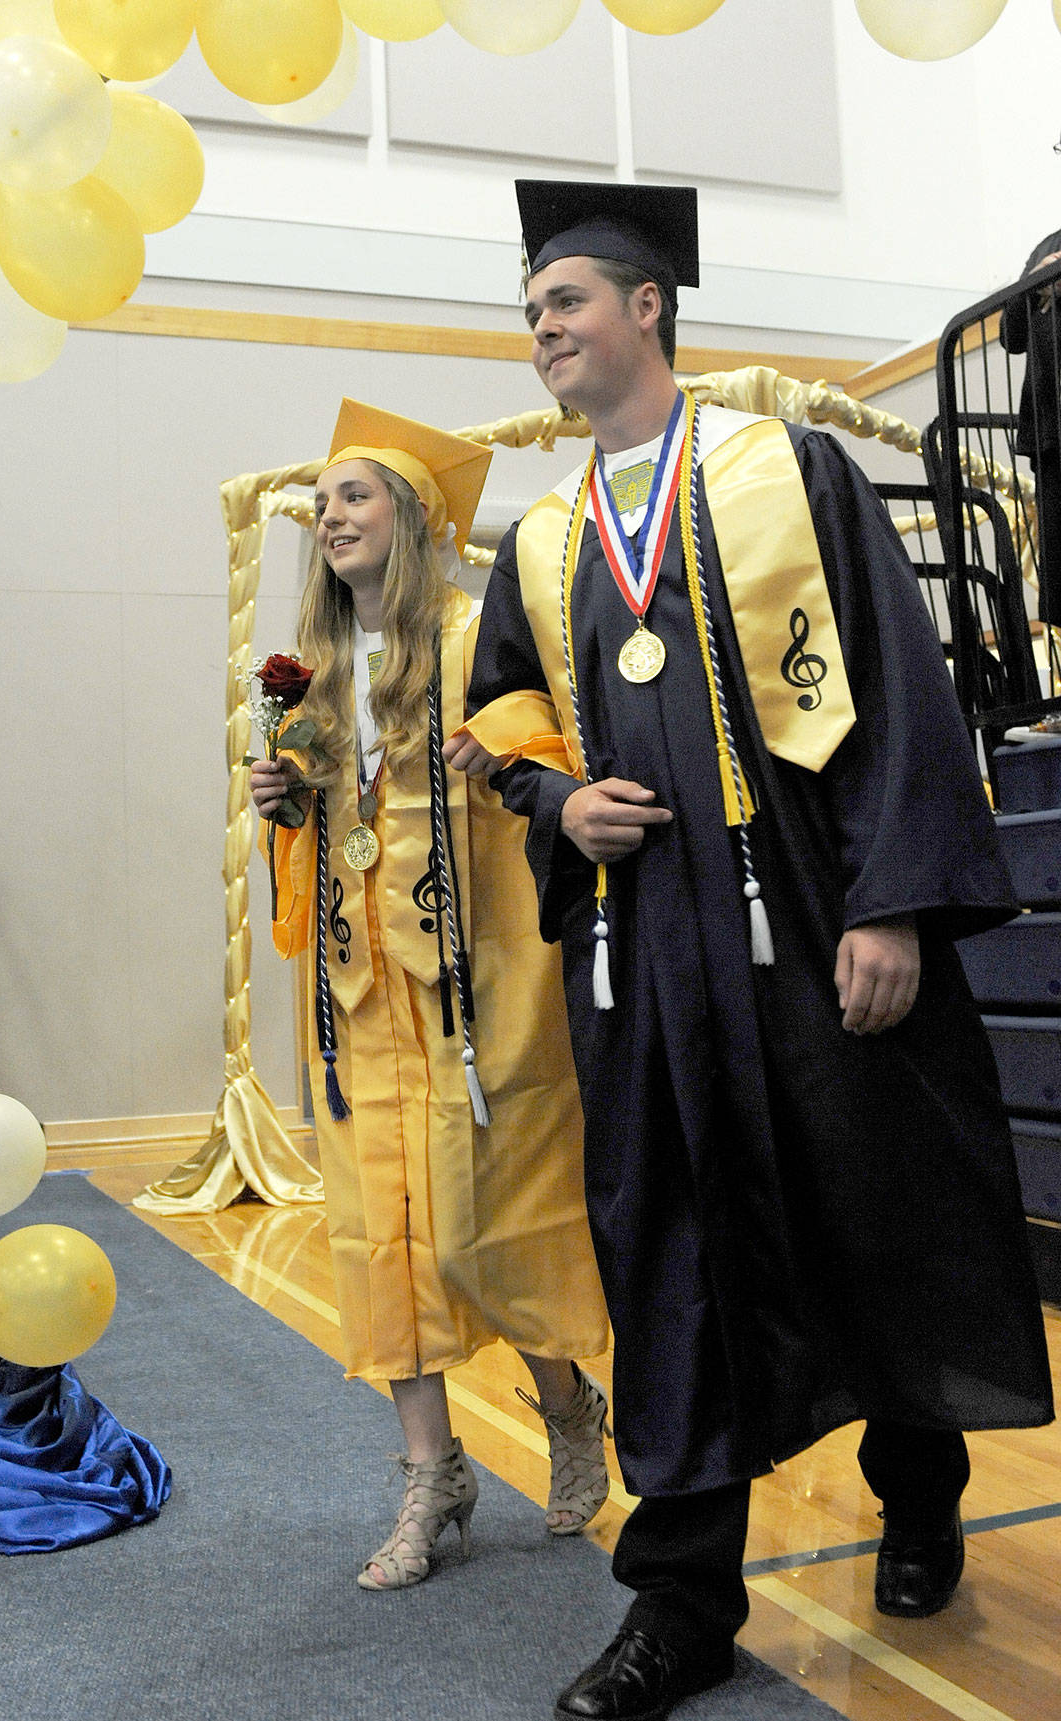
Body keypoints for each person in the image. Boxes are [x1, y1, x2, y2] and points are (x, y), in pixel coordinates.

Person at [445, 181, 1055, 1720]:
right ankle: (684, 1598)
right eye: (529, 316)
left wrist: (894, 900)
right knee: (673, 1243)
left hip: (810, 907)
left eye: (565, 304)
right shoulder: (540, 539)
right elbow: (505, 717)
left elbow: (900, 685)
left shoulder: (787, 469)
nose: (544, 334)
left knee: (879, 1202)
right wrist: (557, 797)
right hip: (647, 948)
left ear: (647, 307)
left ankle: (919, 1484)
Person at [249, 398, 611, 1592]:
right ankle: (431, 1469)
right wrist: (286, 809)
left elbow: (545, 763)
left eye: (356, 494)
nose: (331, 513)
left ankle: (565, 1398)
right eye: (325, 500)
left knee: (478, 1225)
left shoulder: (473, 637)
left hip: (475, 989)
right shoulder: (306, 678)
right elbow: (309, 859)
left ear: (412, 519)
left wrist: (495, 759)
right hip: (360, 1002)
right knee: (381, 1244)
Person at [1000, 224, 1061, 623]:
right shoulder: (1048, 246)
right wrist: (1036, 284)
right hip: (1052, 434)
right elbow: (1012, 336)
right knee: (1058, 565)